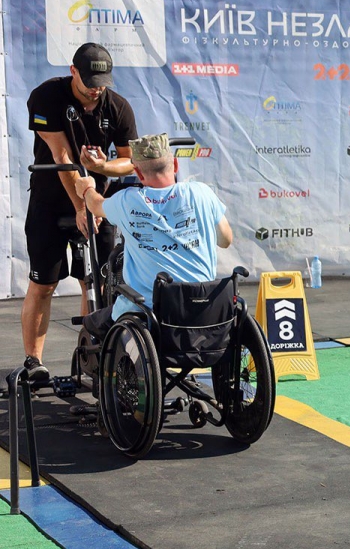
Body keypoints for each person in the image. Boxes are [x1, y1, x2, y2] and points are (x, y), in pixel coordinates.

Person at [23, 42, 138, 382]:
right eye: (89, 80)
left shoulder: (117, 107)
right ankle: (34, 362)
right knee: (44, 284)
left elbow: (129, 160)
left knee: (98, 282)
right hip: (52, 201)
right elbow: (62, 158)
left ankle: (91, 356)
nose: (95, 88)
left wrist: (104, 166)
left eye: (101, 81)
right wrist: (81, 207)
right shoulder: (46, 96)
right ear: (73, 71)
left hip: (96, 203)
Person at [74, 133, 232, 340]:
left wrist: (86, 189)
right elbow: (225, 240)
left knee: (93, 321)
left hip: (149, 315)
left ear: (138, 173)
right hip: (204, 308)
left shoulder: (128, 201)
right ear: (175, 165)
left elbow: (95, 204)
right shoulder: (201, 193)